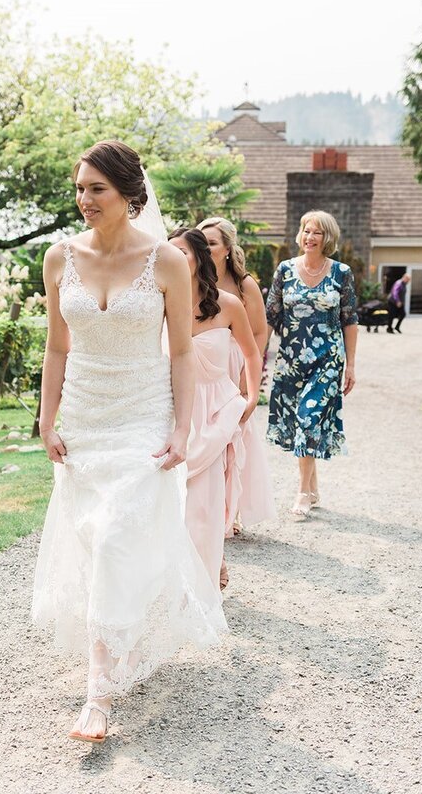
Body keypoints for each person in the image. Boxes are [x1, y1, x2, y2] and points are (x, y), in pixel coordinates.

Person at [32, 140, 228, 744]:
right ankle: (113, 644)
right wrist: (47, 417)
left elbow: (181, 351)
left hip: (144, 418)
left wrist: (180, 428)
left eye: (97, 189)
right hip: (86, 421)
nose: (84, 200)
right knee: (95, 540)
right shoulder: (58, 258)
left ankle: (97, 695)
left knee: (118, 534)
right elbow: (57, 346)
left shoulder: (167, 262)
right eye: (79, 188)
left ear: (129, 195)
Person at [168, 227, 261, 591]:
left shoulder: (228, 304)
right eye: (170, 253)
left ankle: (203, 579)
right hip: (174, 411)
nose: (176, 259)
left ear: (199, 260)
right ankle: (179, 577)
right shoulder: (160, 305)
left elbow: (251, 353)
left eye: (184, 253)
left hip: (215, 412)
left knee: (205, 504)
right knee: (175, 500)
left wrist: (251, 397)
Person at [265, 210, 359, 516]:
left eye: (316, 232)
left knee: (308, 417)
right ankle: (313, 485)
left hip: (327, 359)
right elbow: (271, 317)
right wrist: (257, 358)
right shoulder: (285, 270)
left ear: (327, 237)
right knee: (300, 424)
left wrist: (351, 365)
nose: (309, 237)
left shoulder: (341, 273)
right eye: (306, 230)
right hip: (291, 360)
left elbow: (350, 320)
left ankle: (303, 492)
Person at [197, 217, 276, 531]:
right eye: (201, 242)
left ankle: (232, 510)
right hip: (206, 363)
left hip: (235, 364)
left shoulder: (244, 285)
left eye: (212, 243)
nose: (205, 248)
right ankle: (209, 507)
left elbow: (258, 333)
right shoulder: (191, 278)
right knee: (206, 435)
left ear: (227, 249)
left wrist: (246, 378)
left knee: (234, 437)